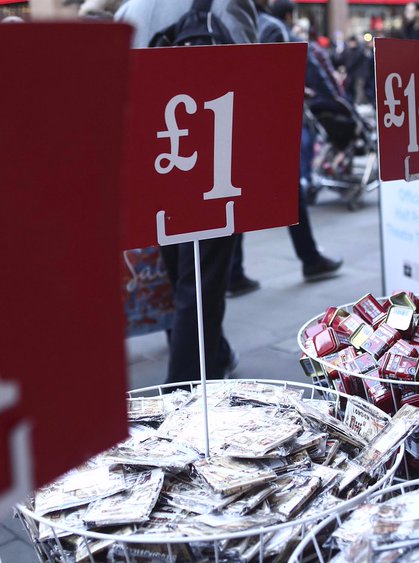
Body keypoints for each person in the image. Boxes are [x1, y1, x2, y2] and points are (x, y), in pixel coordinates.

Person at [115, 0, 258, 382]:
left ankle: (215, 354)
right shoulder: (225, 2)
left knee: (179, 273)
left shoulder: (130, 9)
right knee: (200, 283)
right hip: (210, 165)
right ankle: (184, 388)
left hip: (153, 161)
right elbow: (254, 76)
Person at [227, 0, 343, 297]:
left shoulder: (229, 17)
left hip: (233, 123)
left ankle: (234, 272)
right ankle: (310, 259)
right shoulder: (272, 27)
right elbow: (280, 75)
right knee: (290, 192)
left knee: (235, 197)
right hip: (267, 126)